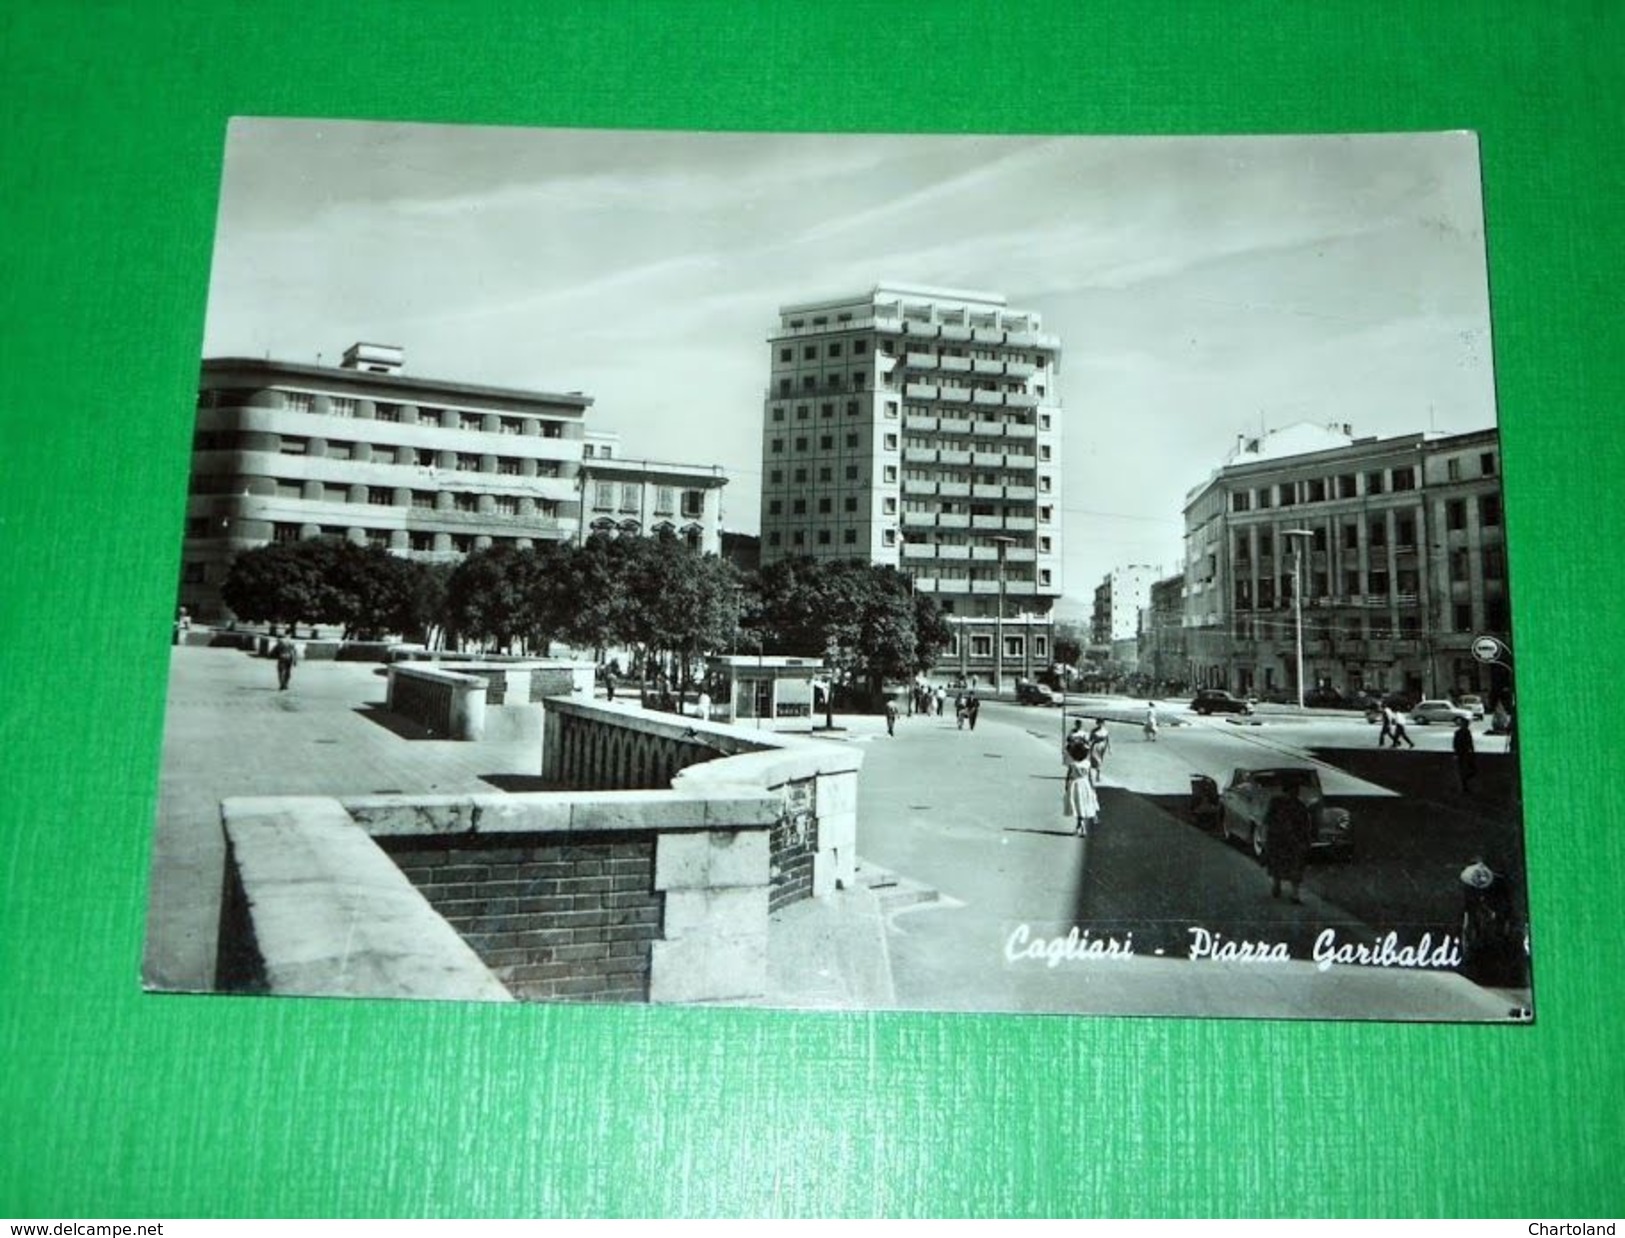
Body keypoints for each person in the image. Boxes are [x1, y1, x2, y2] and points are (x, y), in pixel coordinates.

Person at [1264, 787, 1313, 903]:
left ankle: (1292, 892)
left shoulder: (1298, 806)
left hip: (1287, 839)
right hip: (1282, 839)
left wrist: (1305, 840)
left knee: (1292, 864)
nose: (1294, 793)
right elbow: (1268, 820)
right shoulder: (1281, 803)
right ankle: (1280, 886)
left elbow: (1305, 826)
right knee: (1284, 863)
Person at [1063, 722, 1099, 836]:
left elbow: (1068, 776)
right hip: (1085, 784)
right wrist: (1093, 788)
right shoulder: (1087, 764)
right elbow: (1090, 777)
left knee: (1077, 805)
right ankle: (1080, 825)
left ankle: (1080, 826)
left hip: (1075, 784)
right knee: (1083, 804)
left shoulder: (1073, 764)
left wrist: (1066, 786)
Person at [1452, 716, 1478, 793]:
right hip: (1465, 753)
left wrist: (1456, 753)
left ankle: (1464, 783)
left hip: (1462, 753)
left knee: (1464, 770)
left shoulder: (1459, 732)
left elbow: (1455, 744)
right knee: (1469, 769)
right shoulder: (1466, 732)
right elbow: (1469, 743)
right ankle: (1465, 784)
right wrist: (1472, 751)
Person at [1087, 718, 1111, 784]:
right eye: (1099, 723)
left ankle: (1098, 775)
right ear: (1097, 723)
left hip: (1103, 746)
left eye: (1101, 723)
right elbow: (1090, 739)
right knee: (1093, 760)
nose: (1100, 724)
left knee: (1100, 761)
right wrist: (1088, 746)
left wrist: (1109, 749)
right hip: (1095, 746)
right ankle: (1090, 774)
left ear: (1103, 723)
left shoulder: (1105, 731)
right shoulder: (1093, 731)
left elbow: (1107, 740)